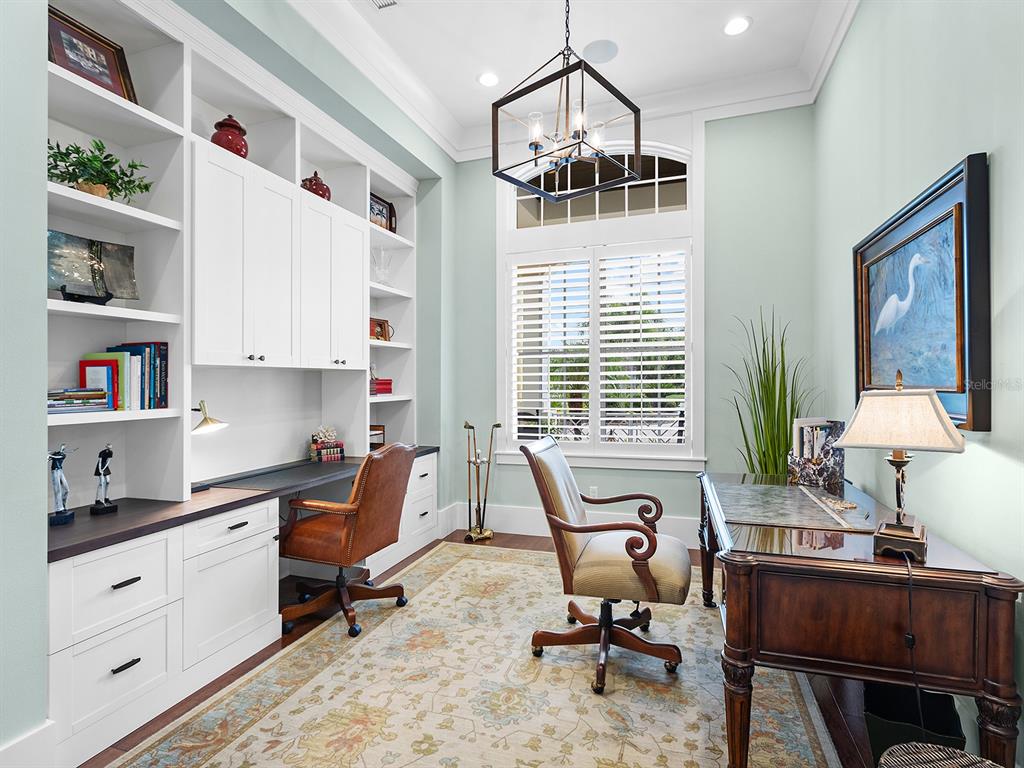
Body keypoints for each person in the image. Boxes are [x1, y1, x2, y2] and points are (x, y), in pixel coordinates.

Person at [49, 443, 71, 513]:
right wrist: (49, 455)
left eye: (64, 448)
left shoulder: (63, 455)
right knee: (57, 490)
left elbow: (57, 457)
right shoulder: (56, 453)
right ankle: (59, 508)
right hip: (54, 471)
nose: (63, 448)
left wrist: (50, 455)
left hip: (60, 471)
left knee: (66, 489)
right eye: (62, 447)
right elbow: (49, 458)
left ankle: (63, 505)